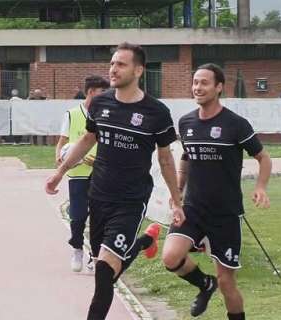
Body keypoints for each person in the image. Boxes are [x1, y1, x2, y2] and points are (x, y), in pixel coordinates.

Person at [45, 42, 185, 320]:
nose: (113, 69)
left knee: (105, 271)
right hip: (98, 197)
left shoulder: (156, 112)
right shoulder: (100, 103)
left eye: (120, 64)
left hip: (131, 201)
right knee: (105, 268)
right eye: (112, 63)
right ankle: (145, 242)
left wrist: (177, 201)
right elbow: (87, 139)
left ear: (138, 70)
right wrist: (60, 172)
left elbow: (166, 159)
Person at [162, 63, 272, 320]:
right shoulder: (186, 121)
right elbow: (187, 157)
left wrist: (260, 187)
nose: (198, 88)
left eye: (204, 83)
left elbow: (264, 158)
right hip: (193, 207)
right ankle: (203, 284)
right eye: (195, 82)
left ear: (219, 87)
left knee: (227, 282)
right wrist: (178, 189)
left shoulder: (236, 124)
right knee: (170, 257)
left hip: (225, 213)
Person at [55, 75, 109, 272]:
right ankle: (77, 247)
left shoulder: (106, 115)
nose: (107, 95)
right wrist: (60, 157)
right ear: (91, 92)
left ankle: (94, 255)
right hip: (77, 172)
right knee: (77, 217)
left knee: (98, 216)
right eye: (103, 92)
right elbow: (63, 141)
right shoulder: (71, 114)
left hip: (100, 173)